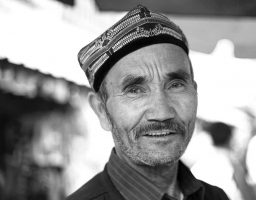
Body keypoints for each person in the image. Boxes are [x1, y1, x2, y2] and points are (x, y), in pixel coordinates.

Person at [67, 5, 229, 200]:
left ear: (195, 92)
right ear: (102, 111)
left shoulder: (214, 197)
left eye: (176, 85)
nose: (162, 112)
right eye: (135, 90)